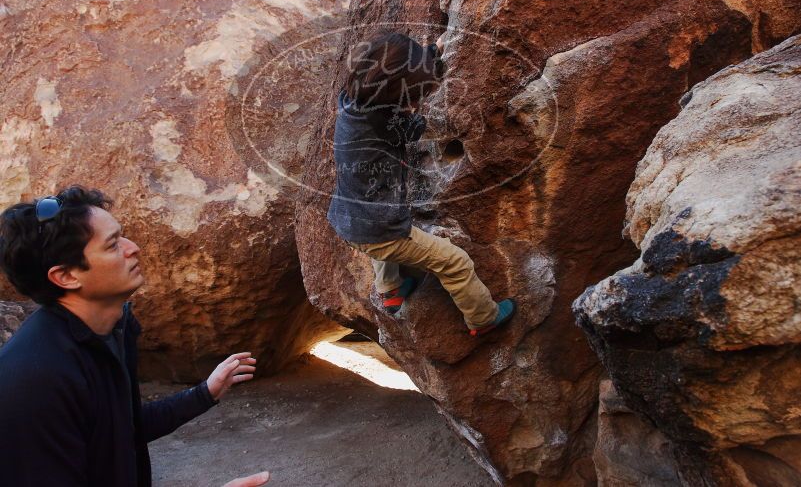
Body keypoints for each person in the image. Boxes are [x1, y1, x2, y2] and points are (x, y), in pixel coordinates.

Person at [0, 186, 267, 486]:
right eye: (113, 244)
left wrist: (205, 392)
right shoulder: (36, 379)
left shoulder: (111, 329)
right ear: (66, 276)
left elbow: (119, 429)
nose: (133, 247)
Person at [326, 32, 516, 336]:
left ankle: (390, 291)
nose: (414, 102)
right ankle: (483, 318)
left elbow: (392, 73)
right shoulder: (388, 124)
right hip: (378, 229)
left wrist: (431, 53)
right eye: (412, 96)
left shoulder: (350, 100)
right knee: (454, 261)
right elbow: (415, 129)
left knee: (380, 247)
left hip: (347, 218)